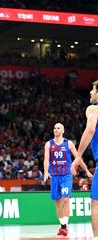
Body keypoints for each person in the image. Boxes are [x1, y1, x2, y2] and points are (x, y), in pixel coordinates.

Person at [44, 123, 91, 237]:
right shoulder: (49, 144)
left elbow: (78, 158)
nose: (56, 129)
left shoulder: (68, 143)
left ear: (63, 130)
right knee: (58, 201)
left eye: (58, 128)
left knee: (65, 199)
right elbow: (46, 159)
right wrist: (46, 171)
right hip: (55, 176)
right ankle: (63, 226)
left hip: (66, 176)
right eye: (54, 128)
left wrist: (87, 171)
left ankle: (65, 226)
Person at [71, 80, 98, 240]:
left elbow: (90, 130)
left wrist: (78, 157)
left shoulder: (93, 109)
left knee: (96, 204)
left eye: (93, 89)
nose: (90, 92)